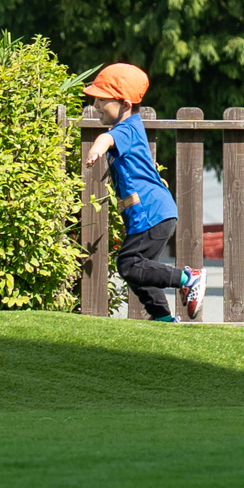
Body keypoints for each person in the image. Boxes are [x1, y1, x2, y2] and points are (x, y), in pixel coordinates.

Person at [81, 63, 203, 322]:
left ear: (124, 104)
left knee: (129, 265)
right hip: (152, 213)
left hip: (151, 212)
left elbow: (106, 139)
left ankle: (188, 278)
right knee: (138, 270)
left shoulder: (126, 129)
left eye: (102, 99)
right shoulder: (130, 128)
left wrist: (96, 150)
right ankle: (163, 318)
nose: (95, 104)